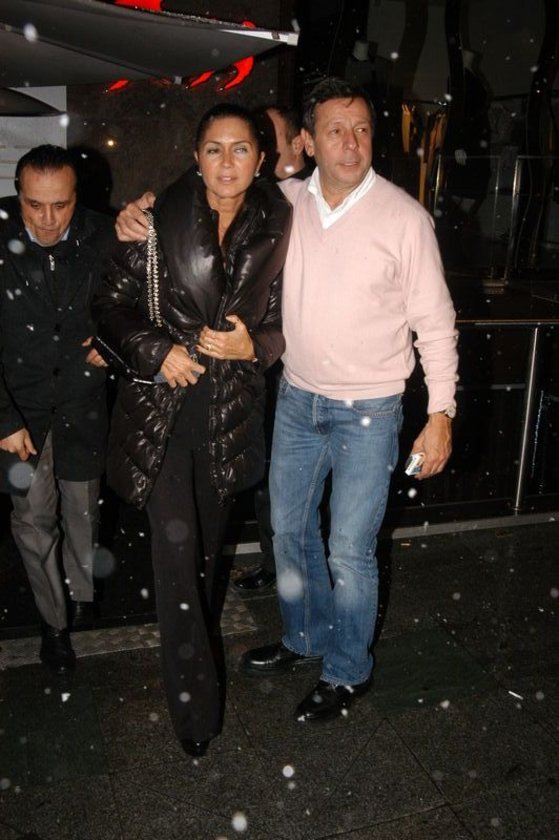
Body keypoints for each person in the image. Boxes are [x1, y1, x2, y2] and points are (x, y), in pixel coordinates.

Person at [114, 77, 458, 725]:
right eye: (334, 130)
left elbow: (436, 324)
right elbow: (210, 190)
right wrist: (143, 208)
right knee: (289, 533)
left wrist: (440, 413)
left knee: (348, 549)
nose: (350, 143)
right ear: (306, 141)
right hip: (298, 400)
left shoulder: (405, 219)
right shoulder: (285, 203)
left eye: (361, 130)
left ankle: (347, 669)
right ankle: (304, 638)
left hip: (370, 410)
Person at [93, 104, 292, 758]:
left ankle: (193, 665)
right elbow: (108, 305)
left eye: (240, 149)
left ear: (261, 158)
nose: (226, 163)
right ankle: (195, 713)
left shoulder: (282, 225)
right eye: (213, 149)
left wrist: (255, 346)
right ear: (196, 156)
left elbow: (290, 319)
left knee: (203, 562)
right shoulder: (152, 220)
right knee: (177, 559)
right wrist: (156, 352)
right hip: (163, 413)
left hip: (228, 414)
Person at [0, 144, 115, 673]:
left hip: (81, 401)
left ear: (77, 198)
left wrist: (114, 343)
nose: (47, 220)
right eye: (34, 205)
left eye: (60, 205)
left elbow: (139, 303)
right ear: (17, 195)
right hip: (19, 408)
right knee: (32, 520)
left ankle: (82, 591)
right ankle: (54, 624)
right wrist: (3, 420)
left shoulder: (106, 234)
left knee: (83, 510)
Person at [234, 105, 311, 593]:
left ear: (300, 142)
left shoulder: (312, 197)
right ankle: (275, 561)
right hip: (265, 354)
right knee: (268, 469)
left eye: (268, 134)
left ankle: (290, 567)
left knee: (291, 474)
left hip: (302, 358)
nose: (259, 142)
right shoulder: (256, 198)